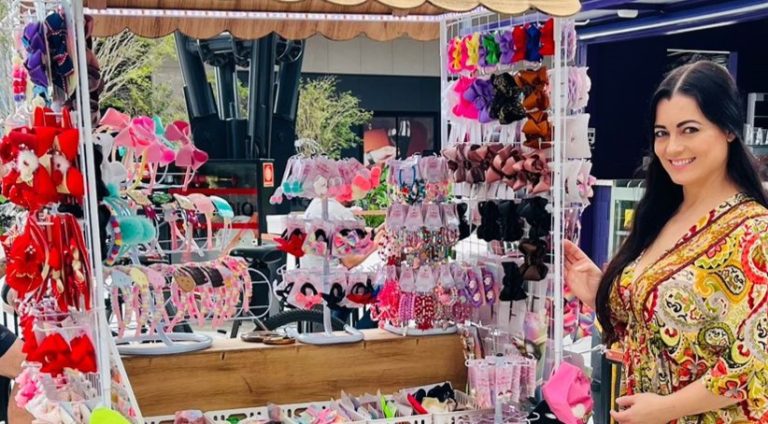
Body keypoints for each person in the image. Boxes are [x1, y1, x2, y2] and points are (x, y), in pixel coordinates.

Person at [564, 60, 768, 423]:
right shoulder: (663, 215)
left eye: (689, 130)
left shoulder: (755, 231)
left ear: (728, 130)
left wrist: (665, 409)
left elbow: (755, 361)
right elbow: (657, 331)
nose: (673, 147)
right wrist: (602, 293)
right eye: (662, 133)